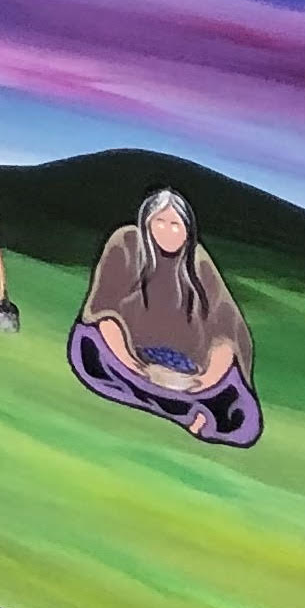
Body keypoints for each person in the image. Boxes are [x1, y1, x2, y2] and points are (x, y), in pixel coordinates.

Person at [70, 188, 262, 446]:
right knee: (89, 349)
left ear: (187, 228)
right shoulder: (126, 243)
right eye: (159, 222)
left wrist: (203, 382)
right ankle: (179, 410)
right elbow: (105, 312)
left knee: (240, 411)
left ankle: (190, 411)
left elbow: (225, 333)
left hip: (189, 375)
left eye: (175, 224)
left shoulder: (199, 262)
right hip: (130, 360)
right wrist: (132, 364)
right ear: (146, 223)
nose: (167, 231)